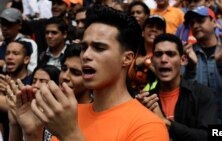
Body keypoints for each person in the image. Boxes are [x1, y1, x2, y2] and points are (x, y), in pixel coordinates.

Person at [16, 5, 170, 141]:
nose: (87, 55)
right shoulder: (69, 116)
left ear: (127, 58)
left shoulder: (147, 126)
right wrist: (32, 134)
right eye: (84, 47)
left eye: (99, 48)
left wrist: (70, 135)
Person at [136, 33, 218, 141]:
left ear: (183, 60)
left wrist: (167, 124)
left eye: (170, 54)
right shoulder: (147, 100)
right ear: (152, 61)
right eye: (158, 54)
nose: (163, 59)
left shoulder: (202, 94)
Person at [0, 8, 38, 72]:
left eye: (9, 24)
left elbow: (32, 70)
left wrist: (5, 66)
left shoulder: (28, 43)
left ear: (19, 25)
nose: (4, 28)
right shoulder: (1, 45)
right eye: (2, 24)